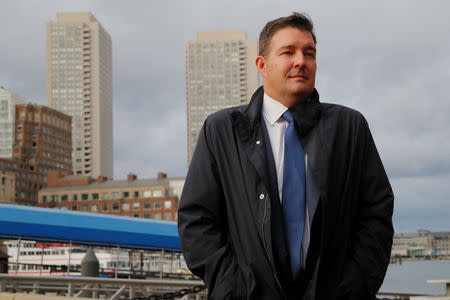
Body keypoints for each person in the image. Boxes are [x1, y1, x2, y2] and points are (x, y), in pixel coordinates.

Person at [178, 12, 394, 300]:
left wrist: (353, 287)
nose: (300, 61)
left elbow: (376, 214)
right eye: (288, 52)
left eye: (309, 53)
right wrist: (233, 288)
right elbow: (197, 220)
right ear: (261, 65)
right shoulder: (221, 130)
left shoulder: (350, 128)